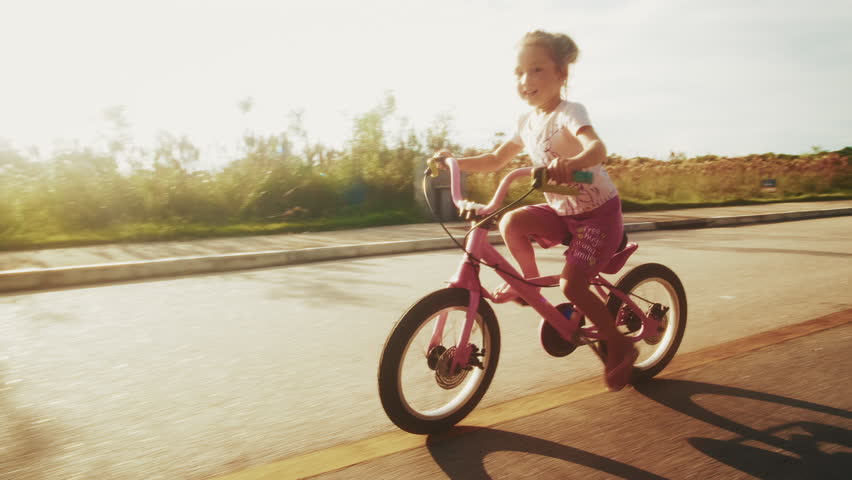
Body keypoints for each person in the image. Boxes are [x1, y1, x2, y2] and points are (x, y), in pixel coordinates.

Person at [430, 30, 637, 391]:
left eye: (537, 70)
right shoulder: (525, 122)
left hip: (597, 217)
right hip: (561, 212)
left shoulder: (570, 113)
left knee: (572, 285)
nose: (526, 80)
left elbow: (596, 148)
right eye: (520, 72)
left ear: (561, 75)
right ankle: (529, 287)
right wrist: (454, 162)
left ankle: (620, 343)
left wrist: (572, 163)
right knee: (512, 220)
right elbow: (496, 159)